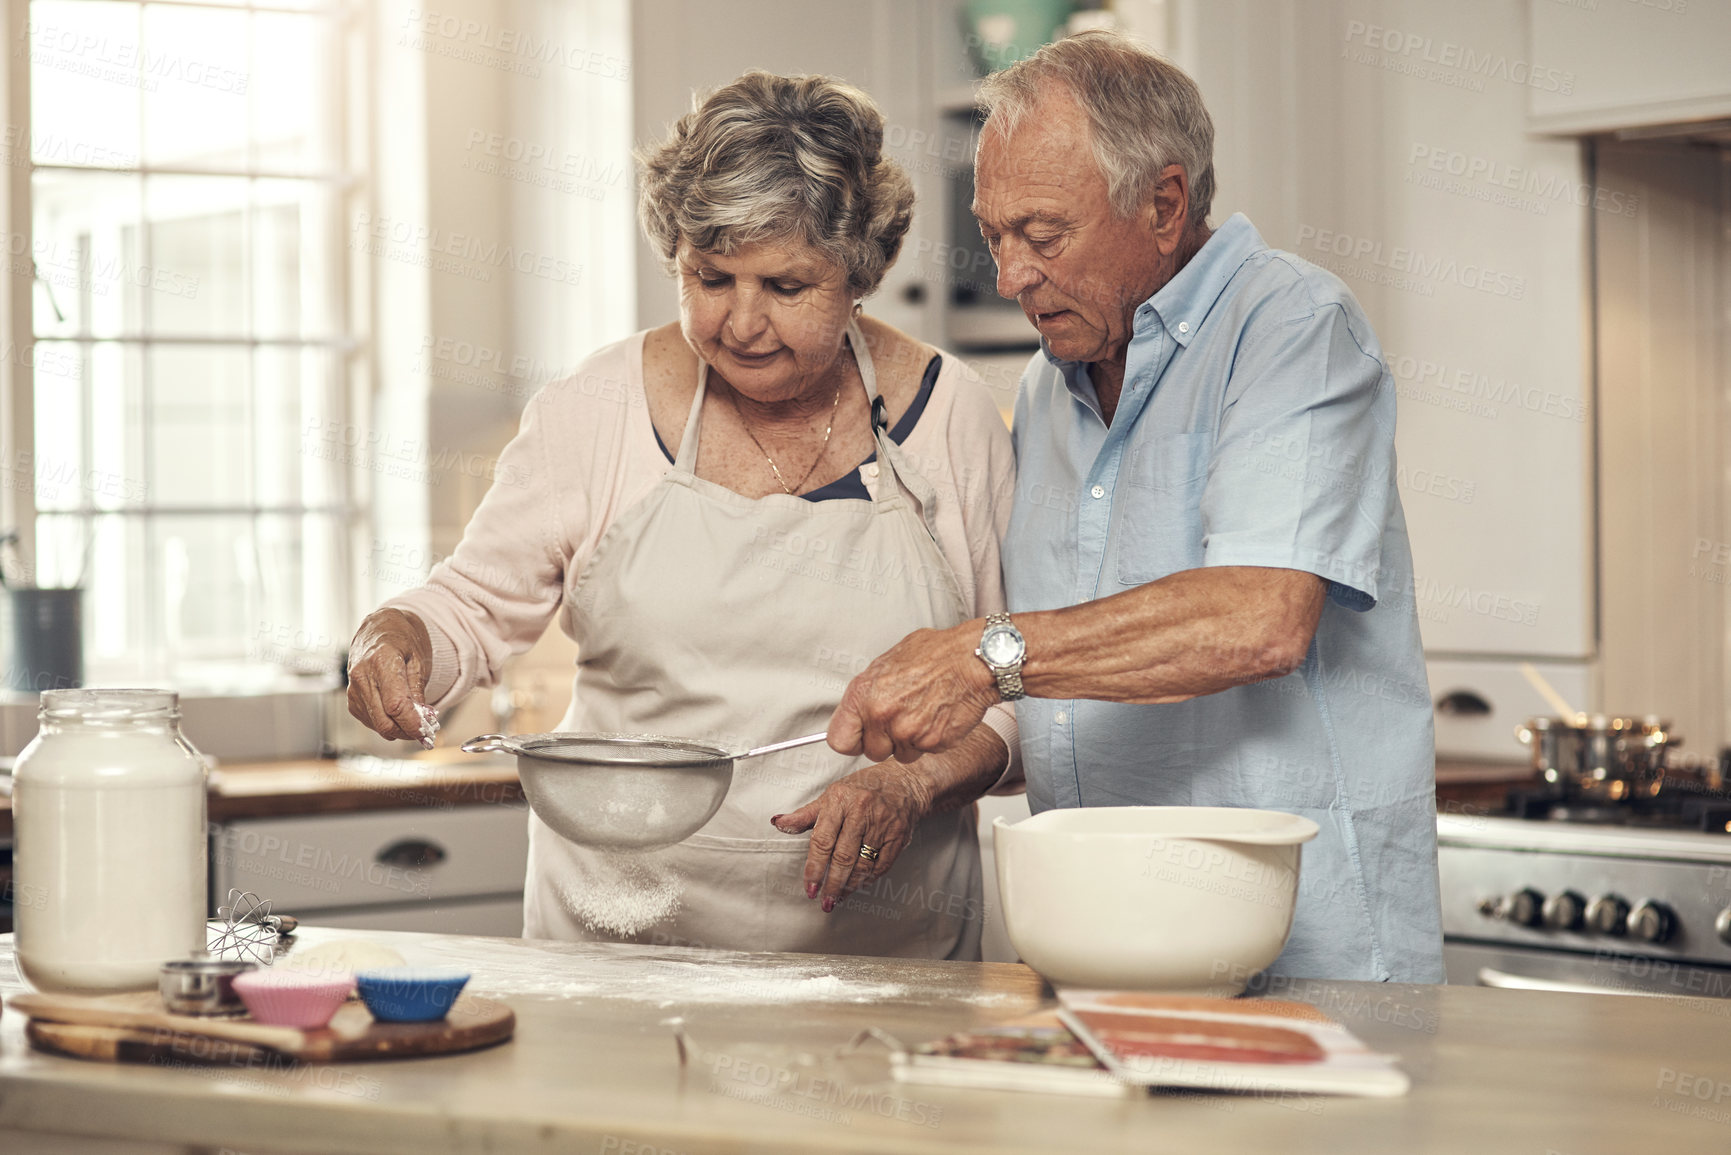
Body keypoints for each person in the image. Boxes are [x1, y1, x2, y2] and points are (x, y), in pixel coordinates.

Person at [346, 71, 1017, 959]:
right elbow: (468, 606)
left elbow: (1021, 682)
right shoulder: (596, 408)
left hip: (883, 956)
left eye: (784, 285)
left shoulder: (953, 418)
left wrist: (918, 782)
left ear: (859, 273)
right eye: (709, 277)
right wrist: (393, 639)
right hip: (620, 947)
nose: (740, 322)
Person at [827, 31, 1444, 983]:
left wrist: (980, 656)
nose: (1010, 276)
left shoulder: (1292, 328)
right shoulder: (1046, 385)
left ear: (1162, 204)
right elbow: (1071, 699)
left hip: (1303, 956)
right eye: (993, 236)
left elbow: (1258, 618)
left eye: (1041, 233)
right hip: (1106, 946)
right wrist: (917, 781)